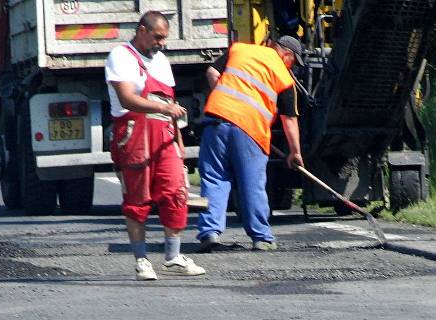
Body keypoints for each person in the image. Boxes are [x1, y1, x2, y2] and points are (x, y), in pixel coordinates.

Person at [105, 11, 205, 280]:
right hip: (134, 134)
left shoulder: (161, 60)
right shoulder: (121, 56)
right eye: (158, 37)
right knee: (137, 201)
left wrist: (179, 142)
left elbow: (170, 104)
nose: (161, 43)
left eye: (164, 38)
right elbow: (127, 99)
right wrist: (164, 107)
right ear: (141, 30)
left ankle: (173, 256)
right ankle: (142, 261)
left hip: (165, 136)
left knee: (175, 193)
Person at [197, 35, 305, 252]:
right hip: (249, 129)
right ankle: (261, 237)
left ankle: (209, 233)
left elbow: (212, 71)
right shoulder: (284, 76)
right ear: (287, 54)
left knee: (214, 179)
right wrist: (295, 153)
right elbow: (289, 119)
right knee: (251, 184)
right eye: (294, 61)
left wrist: (225, 99)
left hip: (216, 122)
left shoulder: (239, 50)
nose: (292, 66)